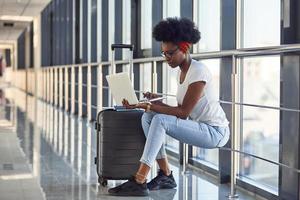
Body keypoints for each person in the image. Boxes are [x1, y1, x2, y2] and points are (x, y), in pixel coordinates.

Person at [108, 17, 230, 196]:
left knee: (156, 117)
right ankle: (165, 174)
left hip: (215, 132)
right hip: (200, 126)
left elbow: (182, 113)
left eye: (170, 53)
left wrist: (149, 106)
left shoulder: (198, 71)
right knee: (148, 117)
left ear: (184, 48)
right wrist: (154, 103)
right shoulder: (182, 73)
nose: (166, 58)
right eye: (163, 53)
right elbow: (180, 112)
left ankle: (139, 179)